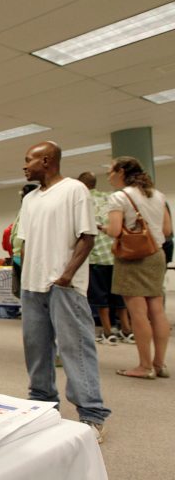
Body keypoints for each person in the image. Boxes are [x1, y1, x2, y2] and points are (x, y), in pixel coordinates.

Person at [18, 141, 110, 443]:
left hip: (64, 285)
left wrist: (67, 275)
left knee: (76, 350)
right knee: (37, 351)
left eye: (29, 160)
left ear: (47, 161)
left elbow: (87, 236)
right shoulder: (30, 198)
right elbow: (27, 243)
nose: (25, 166)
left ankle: (92, 415)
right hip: (32, 287)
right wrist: (25, 281)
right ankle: (44, 407)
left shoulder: (74, 190)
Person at [102, 156, 172, 379]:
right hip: (156, 255)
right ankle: (159, 364)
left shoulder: (119, 197)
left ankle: (144, 366)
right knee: (157, 311)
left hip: (132, 257)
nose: (109, 176)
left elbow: (114, 231)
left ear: (121, 171)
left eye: (110, 171)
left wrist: (102, 228)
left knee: (138, 314)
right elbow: (167, 230)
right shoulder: (157, 195)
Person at [76, 171, 132, 345]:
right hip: (116, 254)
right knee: (119, 295)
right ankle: (127, 330)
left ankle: (108, 332)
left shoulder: (81, 203)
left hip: (96, 256)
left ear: (81, 185)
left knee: (100, 297)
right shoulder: (109, 197)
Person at [9, 183, 38, 298]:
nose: (23, 197)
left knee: (29, 291)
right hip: (17, 255)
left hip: (27, 256)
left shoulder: (35, 210)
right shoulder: (22, 210)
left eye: (25, 194)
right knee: (19, 290)